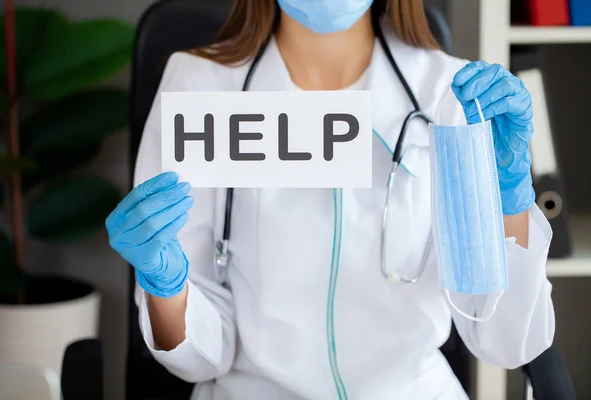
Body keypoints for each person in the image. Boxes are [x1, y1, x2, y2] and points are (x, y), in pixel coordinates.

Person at [106, 0, 555, 399]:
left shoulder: (449, 93)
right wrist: (165, 285)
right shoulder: (198, 86)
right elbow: (202, 356)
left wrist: (510, 200)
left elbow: (504, 339)